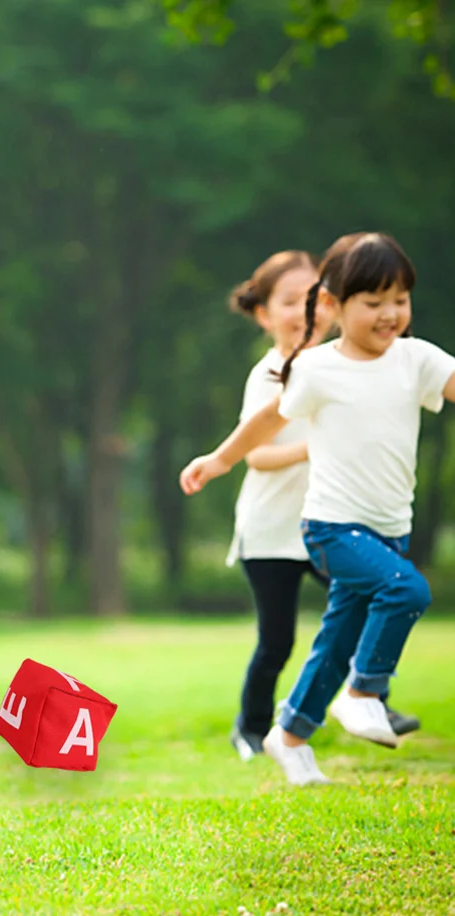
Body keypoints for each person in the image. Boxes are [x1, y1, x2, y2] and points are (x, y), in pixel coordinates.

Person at [181, 232, 455, 785]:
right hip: (332, 525)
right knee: (407, 590)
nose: (389, 314)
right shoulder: (317, 368)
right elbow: (265, 421)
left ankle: (290, 736)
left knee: (334, 640)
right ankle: (364, 690)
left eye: (399, 300)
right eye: (373, 303)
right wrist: (219, 459)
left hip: (389, 529)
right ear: (333, 305)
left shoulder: (416, 359)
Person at [224, 249, 419, 762]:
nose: (305, 310)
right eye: (289, 302)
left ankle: (371, 699)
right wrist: (316, 446)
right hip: (271, 531)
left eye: (312, 297)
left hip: (332, 524)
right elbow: (257, 455)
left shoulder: (342, 367)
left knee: (362, 606)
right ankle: (251, 727)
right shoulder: (269, 375)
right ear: (265, 315)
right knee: (277, 641)